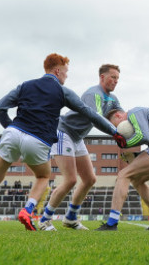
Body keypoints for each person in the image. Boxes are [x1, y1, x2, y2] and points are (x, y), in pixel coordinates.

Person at [0, 53, 120, 232]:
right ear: (57, 71)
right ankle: (27, 210)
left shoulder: (25, 86)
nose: (66, 76)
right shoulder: (63, 92)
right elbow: (89, 114)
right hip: (37, 139)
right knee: (42, 176)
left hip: (12, 133)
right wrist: (113, 131)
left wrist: (11, 128)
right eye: (66, 72)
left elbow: (0, 108)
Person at [39, 64, 122, 231]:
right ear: (102, 77)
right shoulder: (93, 94)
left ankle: (70, 218)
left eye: (117, 78)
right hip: (63, 132)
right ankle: (44, 220)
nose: (115, 81)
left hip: (77, 137)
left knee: (90, 179)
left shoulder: (113, 99)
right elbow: (96, 118)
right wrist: (115, 133)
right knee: (70, 180)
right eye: (112, 77)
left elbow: (121, 115)